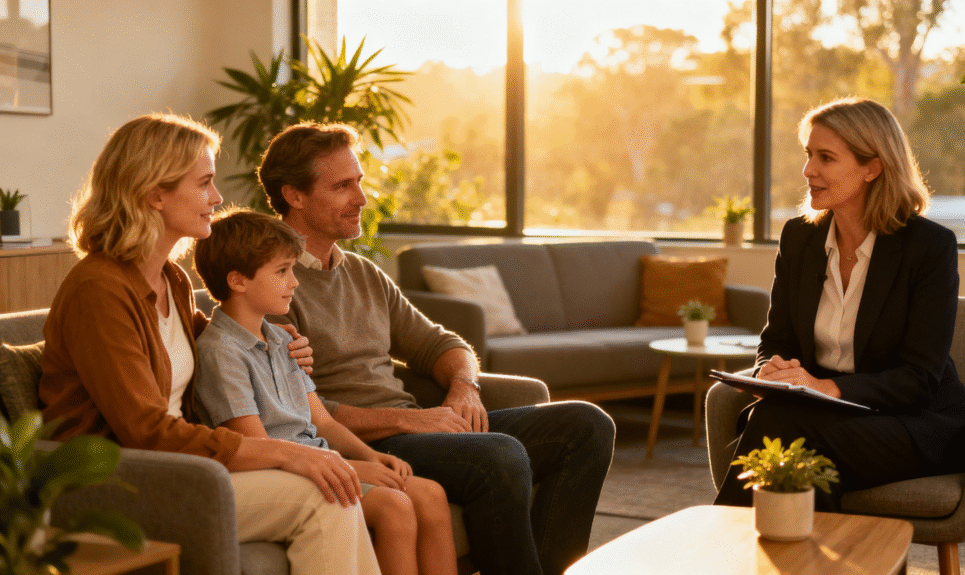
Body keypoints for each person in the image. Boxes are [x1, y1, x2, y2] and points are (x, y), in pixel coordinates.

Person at [257, 122, 616, 575]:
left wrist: (464, 387)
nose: (362, 199)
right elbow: (294, 407)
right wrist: (410, 419)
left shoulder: (364, 274)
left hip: (417, 430)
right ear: (295, 195)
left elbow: (441, 343)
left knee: (587, 425)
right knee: (500, 457)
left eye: (360, 183)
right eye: (343, 186)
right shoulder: (268, 284)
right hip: (361, 444)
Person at [38, 113, 381, 575]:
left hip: (177, 471)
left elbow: (216, 339)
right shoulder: (98, 290)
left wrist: (276, 342)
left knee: (330, 485)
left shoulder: (171, 280)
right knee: (323, 492)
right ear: (154, 193)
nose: (217, 199)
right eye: (204, 184)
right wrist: (289, 452)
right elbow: (147, 430)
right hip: (117, 482)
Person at [713, 97, 965, 511]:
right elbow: (777, 337)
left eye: (826, 158)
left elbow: (919, 378)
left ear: (872, 167)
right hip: (823, 419)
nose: (808, 171)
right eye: (808, 155)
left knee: (779, 431)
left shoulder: (928, 247)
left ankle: (729, 554)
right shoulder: (799, 239)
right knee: (787, 434)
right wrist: (776, 369)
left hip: (914, 423)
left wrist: (825, 388)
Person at [192, 208, 457, 575]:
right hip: (282, 473)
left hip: (320, 461)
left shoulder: (283, 340)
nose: (295, 282)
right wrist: (352, 467)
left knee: (431, 495)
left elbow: (323, 422)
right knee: (395, 507)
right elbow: (255, 445)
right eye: (282, 271)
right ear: (238, 281)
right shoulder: (221, 353)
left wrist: (369, 456)